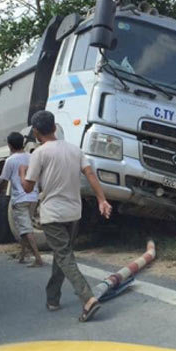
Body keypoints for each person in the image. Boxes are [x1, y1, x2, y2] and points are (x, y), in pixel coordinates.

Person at [18, 110, 112, 322]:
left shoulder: (39, 154)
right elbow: (89, 174)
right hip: (73, 213)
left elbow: (27, 187)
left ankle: (88, 299)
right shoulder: (74, 150)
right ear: (55, 126)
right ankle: (52, 298)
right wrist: (101, 199)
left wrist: (22, 173)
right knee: (63, 254)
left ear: (35, 131)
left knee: (64, 256)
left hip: (52, 214)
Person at [0, 132, 44, 267]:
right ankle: (23, 255)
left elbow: (3, 180)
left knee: (26, 229)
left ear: (9, 145)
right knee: (24, 227)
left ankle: (38, 258)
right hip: (33, 197)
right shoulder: (32, 157)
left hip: (20, 199)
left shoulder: (10, 160)